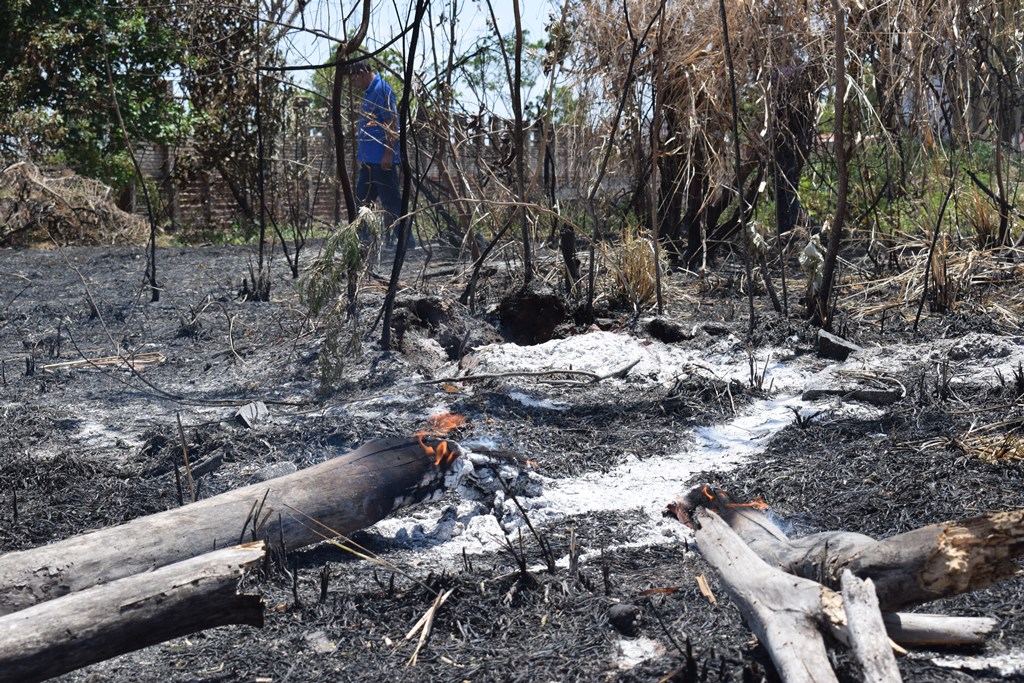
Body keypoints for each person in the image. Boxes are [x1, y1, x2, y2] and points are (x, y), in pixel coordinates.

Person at [346, 59, 412, 248]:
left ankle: (407, 242)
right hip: (369, 162)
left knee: (391, 202)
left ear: (361, 73)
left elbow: (392, 123)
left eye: (353, 80)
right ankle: (362, 242)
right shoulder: (369, 92)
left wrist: (388, 154)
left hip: (382, 161)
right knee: (362, 203)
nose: (353, 85)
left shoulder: (381, 89)